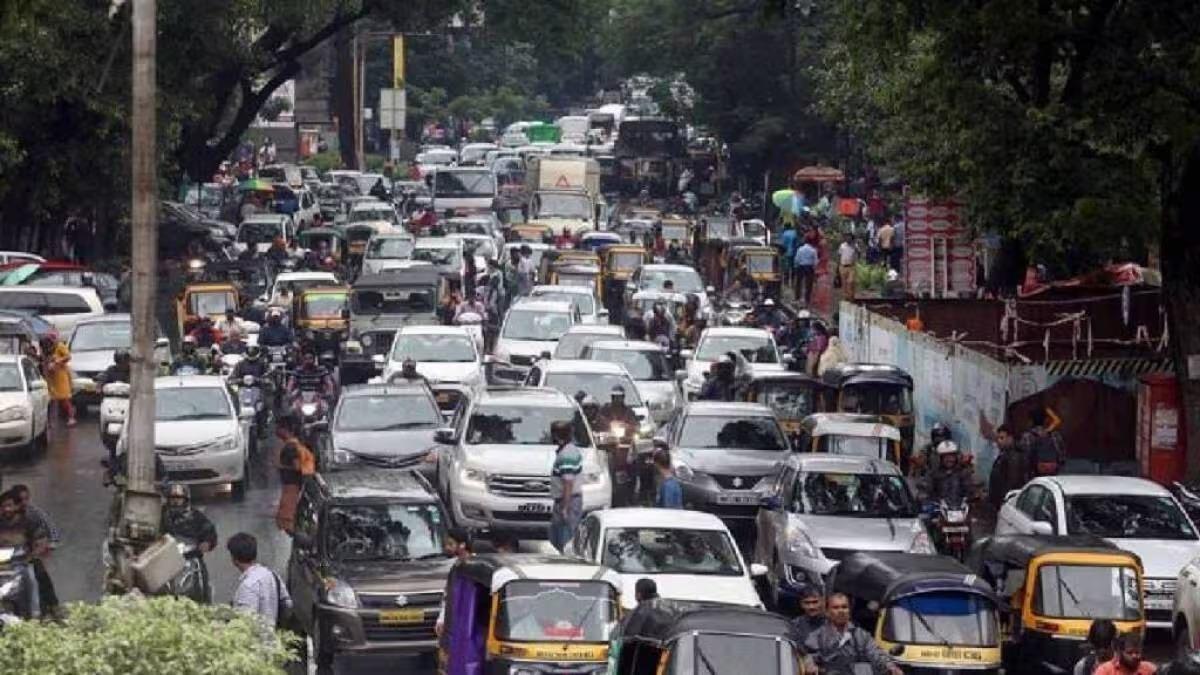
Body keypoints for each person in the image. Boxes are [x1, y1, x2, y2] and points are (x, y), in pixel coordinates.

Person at [804, 592, 902, 675]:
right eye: (835, 607)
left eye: (844, 607)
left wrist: (890, 666)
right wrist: (810, 665)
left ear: (849, 610)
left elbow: (875, 653)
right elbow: (809, 656)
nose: (841, 611)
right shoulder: (817, 636)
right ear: (827, 612)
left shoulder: (861, 635)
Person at [227, 532, 292, 630]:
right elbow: (288, 604)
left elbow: (244, 623)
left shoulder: (248, 586)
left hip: (257, 638)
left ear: (234, 559)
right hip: (274, 635)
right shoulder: (272, 575)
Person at [0, 489, 49, 618]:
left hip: (22, 564)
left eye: (9, 505)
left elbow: (41, 542)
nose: (6, 509)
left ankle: (35, 615)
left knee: (32, 583)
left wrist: (31, 556)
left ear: (17, 506)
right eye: (3, 506)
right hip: (2, 565)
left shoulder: (28, 522)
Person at [11, 485, 59, 616]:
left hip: (28, 555)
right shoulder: (6, 516)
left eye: (26, 499)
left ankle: (53, 606)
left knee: (40, 575)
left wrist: (49, 544)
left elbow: (49, 529)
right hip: (8, 559)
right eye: (20, 500)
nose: (24, 503)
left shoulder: (33, 514)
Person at [275, 420, 316, 532]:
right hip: (301, 477)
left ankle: (288, 525)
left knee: (289, 502)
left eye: (279, 428)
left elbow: (296, 466)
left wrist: (283, 467)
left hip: (293, 479)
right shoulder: (296, 446)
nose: (277, 431)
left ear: (287, 431)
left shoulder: (291, 447)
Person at [549, 420, 583, 552]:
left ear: (556, 435)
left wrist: (565, 507)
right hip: (566, 501)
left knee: (565, 539)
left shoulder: (566, 455)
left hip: (568, 501)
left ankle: (566, 560)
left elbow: (568, 483)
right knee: (556, 536)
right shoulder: (568, 451)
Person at [987, 425, 1028, 513]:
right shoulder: (1004, 454)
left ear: (1010, 438)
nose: (998, 441)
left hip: (1005, 505)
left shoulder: (1013, 456)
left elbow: (1012, 482)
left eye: (1002, 438)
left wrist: (1002, 502)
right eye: (998, 438)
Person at [41, 333, 76, 427]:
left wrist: (57, 361)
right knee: (51, 400)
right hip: (51, 377)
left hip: (61, 376)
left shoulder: (60, 346)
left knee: (64, 398)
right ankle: (49, 421)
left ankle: (71, 417)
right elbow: (44, 360)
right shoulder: (45, 348)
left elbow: (68, 356)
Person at [1022, 407, 1066, 477]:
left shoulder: (1027, 436)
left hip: (1035, 473)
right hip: (1053, 471)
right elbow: (1062, 454)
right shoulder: (1055, 435)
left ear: (1031, 420)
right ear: (1045, 420)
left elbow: (1025, 456)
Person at [927, 441, 974, 505]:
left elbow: (970, 490)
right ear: (940, 458)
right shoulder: (933, 474)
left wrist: (971, 497)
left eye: (952, 456)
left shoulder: (963, 472)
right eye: (946, 457)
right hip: (939, 508)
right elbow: (926, 490)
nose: (949, 459)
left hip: (960, 508)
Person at [793, 237, 818, 306]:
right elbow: (815, 262)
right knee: (808, 284)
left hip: (801, 266)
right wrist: (814, 269)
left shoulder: (800, 249)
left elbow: (797, 259)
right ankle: (807, 300)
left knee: (799, 283)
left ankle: (797, 298)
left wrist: (795, 266)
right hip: (809, 267)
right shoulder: (813, 250)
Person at [837, 234, 858, 300]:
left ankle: (851, 297)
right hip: (843, 266)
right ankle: (846, 297)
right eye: (847, 237)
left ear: (852, 238)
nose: (848, 239)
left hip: (851, 267)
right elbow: (839, 255)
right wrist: (838, 266)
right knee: (844, 283)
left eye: (849, 237)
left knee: (850, 282)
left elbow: (858, 253)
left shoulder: (855, 246)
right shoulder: (842, 246)